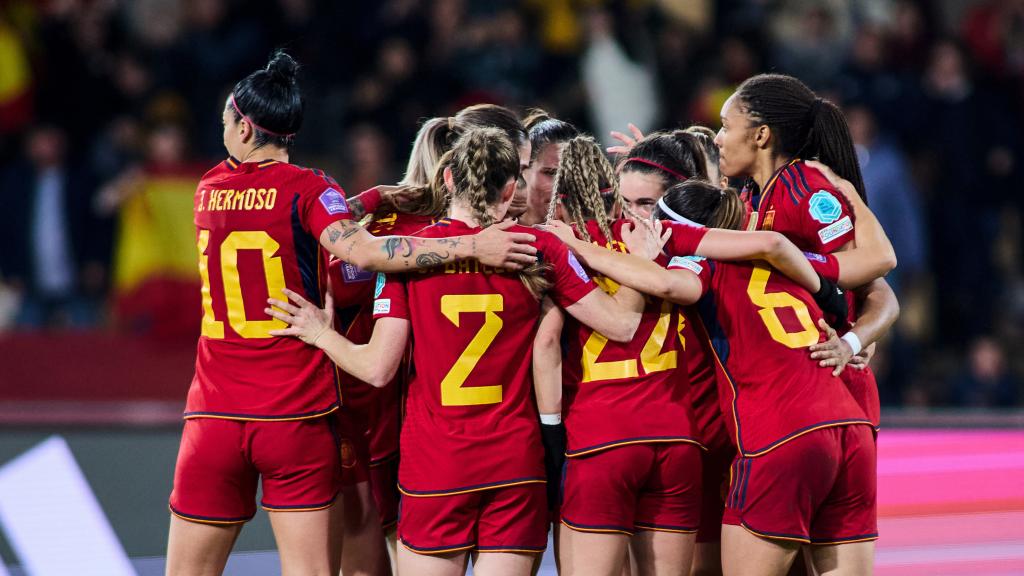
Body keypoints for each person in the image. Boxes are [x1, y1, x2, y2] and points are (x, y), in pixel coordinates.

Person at [166, 52, 537, 576]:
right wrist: (471, 247)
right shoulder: (311, 189)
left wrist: (372, 197)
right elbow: (363, 252)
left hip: (214, 414)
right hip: (296, 413)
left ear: (246, 129)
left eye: (226, 119)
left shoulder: (206, 191)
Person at [267, 127, 648, 576]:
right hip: (515, 466)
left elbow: (376, 368)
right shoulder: (539, 248)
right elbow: (621, 325)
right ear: (512, 188)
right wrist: (641, 262)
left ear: (447, 180)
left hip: (437, 468)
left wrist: (320, 333)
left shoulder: (411, 257)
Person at [545, 176, 896, 576]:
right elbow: (878, 282)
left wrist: (574, 245)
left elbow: (664, 282)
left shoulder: (703, 261)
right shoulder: (791, 261)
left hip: (780, 433)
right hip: (850, 424)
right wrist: (851, 331)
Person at [518, 109, 579, 225]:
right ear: (522, 170)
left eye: (573, 174)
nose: (562, 186)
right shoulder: (494, 235)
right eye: (551, 173)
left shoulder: (595, 234)